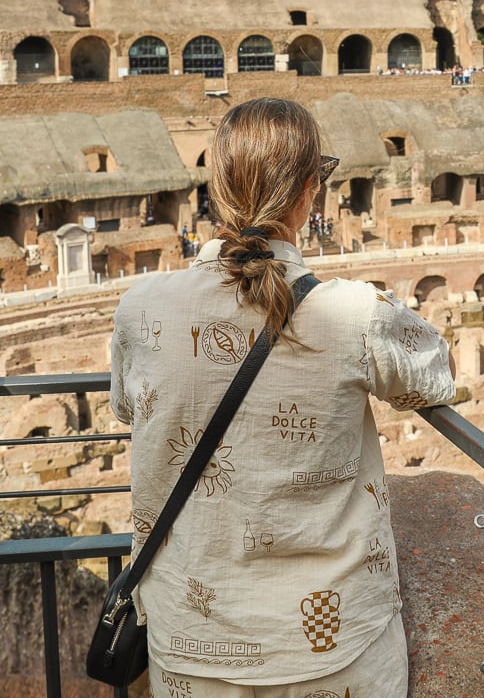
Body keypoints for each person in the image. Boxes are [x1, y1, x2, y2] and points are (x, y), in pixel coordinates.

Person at [110, 97, 456, 698]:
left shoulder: (141, 307)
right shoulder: (352, 312)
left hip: (193, 642)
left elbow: (126, 407)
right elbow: (434, 377)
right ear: (309, 192)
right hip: (335, 645)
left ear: (216, 189)